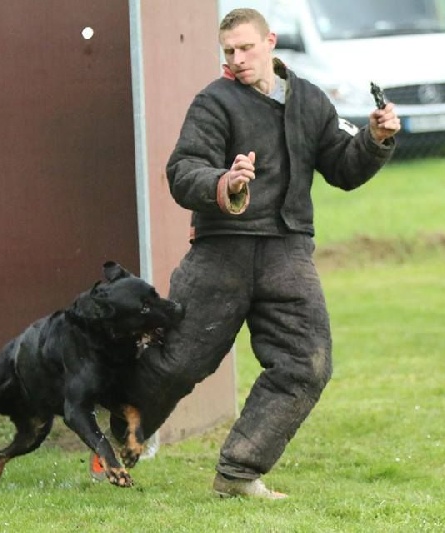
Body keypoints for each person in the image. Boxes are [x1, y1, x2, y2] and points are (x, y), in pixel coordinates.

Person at [104, 7, 401, 499]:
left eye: (245, 48)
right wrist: (225, 181)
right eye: (228, 52)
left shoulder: (309, 99)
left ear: (270, 43)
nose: (236, 60)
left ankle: (238, 473)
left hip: (288, 254)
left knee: (305, 364)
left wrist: (375, 140)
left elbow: (343, 169)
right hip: (222, 253)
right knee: (179, 363)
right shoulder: (214, 102)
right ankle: (113, 437)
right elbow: (183, 171)